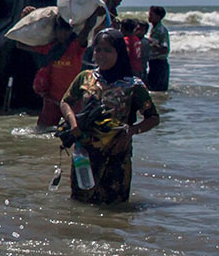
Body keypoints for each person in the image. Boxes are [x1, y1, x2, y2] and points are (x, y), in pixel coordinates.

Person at [59, 28, 160, 205]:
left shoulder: (133, 85)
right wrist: (72, 122)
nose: (101, 55)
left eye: (108, 50)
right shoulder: (85, 77)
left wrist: (132, 131)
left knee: (115, 209)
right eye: (98, 49)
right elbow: (65, 102)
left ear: (119, 53)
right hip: (84, 153)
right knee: (80, 203)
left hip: (117, 154)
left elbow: (153, 118)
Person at [143, 5, 171, 91]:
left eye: (151, 15)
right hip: (154, 63)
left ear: (158, 17)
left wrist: (151, 44)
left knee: (157, 90)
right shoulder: (154, 29)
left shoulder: (160, 30)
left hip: (159, 64)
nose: (149, 17)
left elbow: (165, 49)